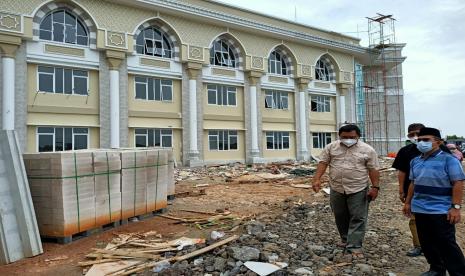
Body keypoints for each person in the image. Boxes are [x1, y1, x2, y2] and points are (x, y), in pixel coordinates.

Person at [403, 127, 465, 276]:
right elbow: (413, 183)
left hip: (441, 209)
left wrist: (455, 207)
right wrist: (408, 202)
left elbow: (458, 183)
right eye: (419, 140)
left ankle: (459, 272)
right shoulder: (415, 161)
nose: (421, 143)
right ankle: (436, 269)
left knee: (446, 243)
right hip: (420, 208)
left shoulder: (449, 160)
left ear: (438, 142)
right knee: (427, 242)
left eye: (426, 140)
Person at [312, 124, 380, 258]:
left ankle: (354, 246)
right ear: (339, 136)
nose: (348, 139)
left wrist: (375, 187)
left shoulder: (368, 150)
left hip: (358, 188)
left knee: (358, 217)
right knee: (340, 215)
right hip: (337, 187)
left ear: (358, 137)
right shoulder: (331, 147)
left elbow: (373, 169)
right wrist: (316, 179)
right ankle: (345, 239)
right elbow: (323, 163)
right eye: (345, 137)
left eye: (352, 137)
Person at [392, 123, 425, 257]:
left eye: (418, 133)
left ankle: (437, 246)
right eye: (411, 135)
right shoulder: (406, 151)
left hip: (436, 193)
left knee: (436, 220)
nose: (415, 137)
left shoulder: (441, 150)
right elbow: (402, 172)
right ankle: (418, 246)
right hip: (412, 192)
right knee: (414, 219)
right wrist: (401, 190)